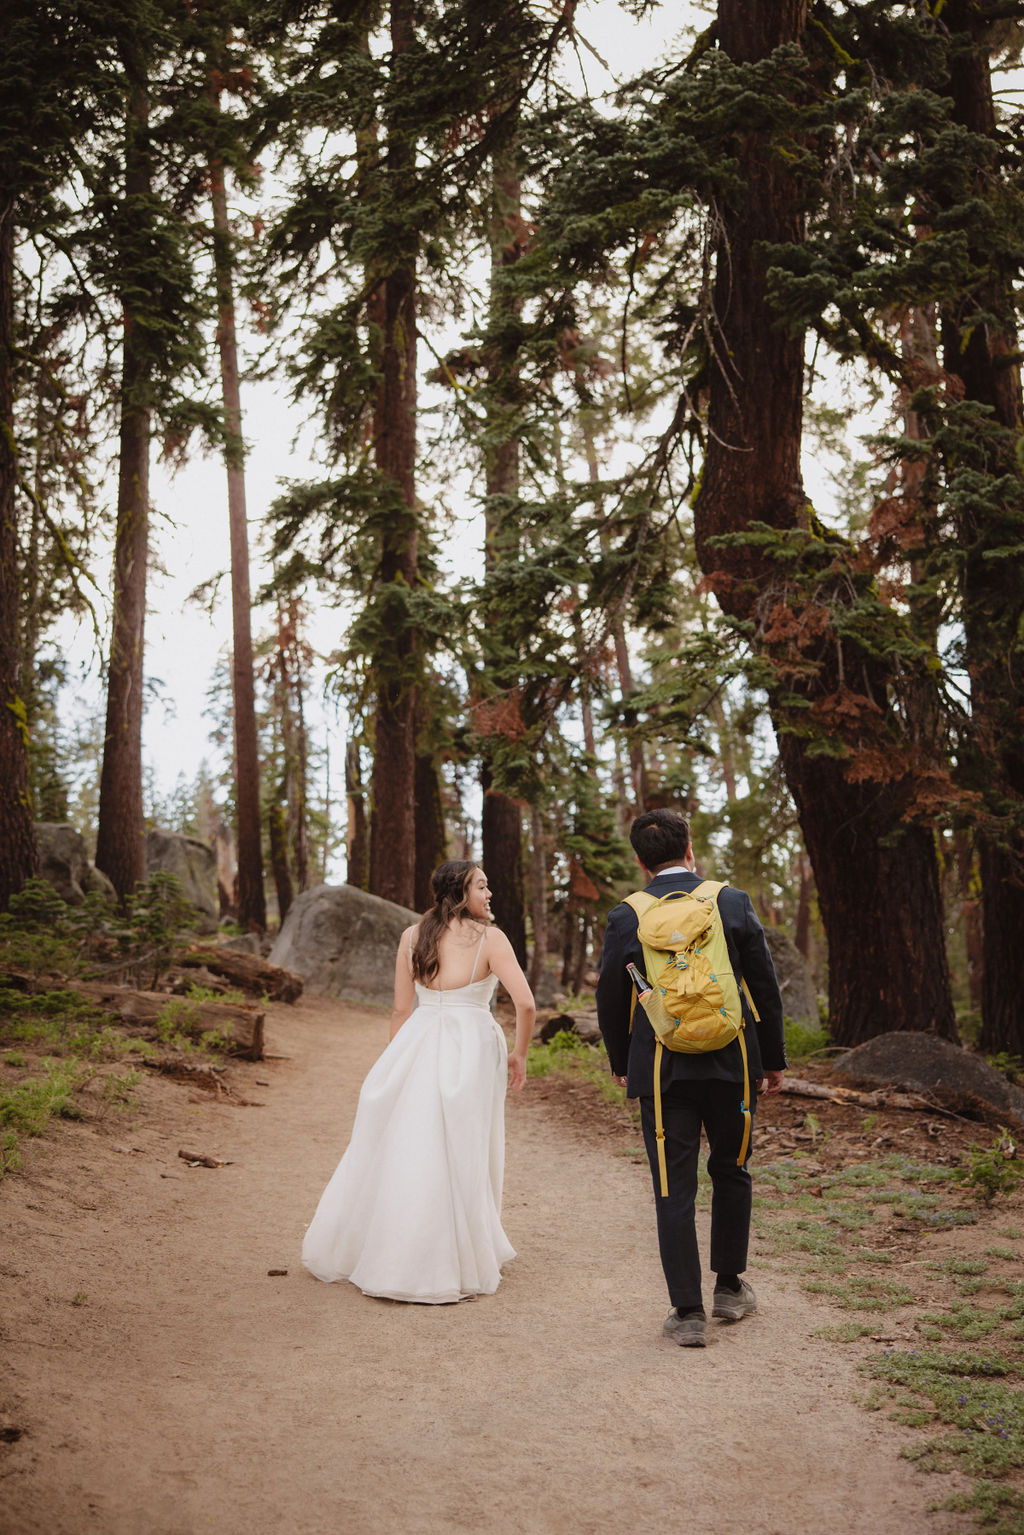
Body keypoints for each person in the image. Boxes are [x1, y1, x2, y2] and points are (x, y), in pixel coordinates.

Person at [302, 860, 535, 1304]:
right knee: (464, 1145)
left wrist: (395, 1060)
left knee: (414, 1143)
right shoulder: (491, 939)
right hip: (471, 1047)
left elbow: (399, 1010)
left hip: (418, 1041)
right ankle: (457, 1253)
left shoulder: (413, 936)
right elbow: (524, 1005)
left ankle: (394, 1248)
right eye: (482, 887)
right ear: (461, 892)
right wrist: (519, 1054)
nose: (490, 895)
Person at [596, 809, 786, 1348]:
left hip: (662, 1071)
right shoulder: (730, 900)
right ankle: (728, 1287)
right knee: (732, 1169)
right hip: (732, 1064)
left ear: (639, 860)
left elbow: (612, 993)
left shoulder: (627, 914)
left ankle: (687, 1313)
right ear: (690, 848)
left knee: (671, 1186)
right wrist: (771, 1060)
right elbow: (763, 985)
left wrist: (621, 1062)